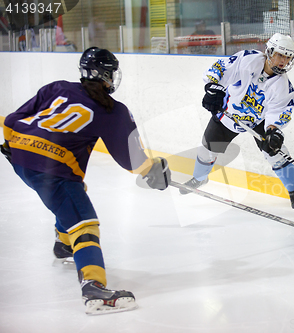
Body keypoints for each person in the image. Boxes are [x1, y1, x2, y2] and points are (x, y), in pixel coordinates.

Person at [1, 47, 171, 314]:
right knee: (84, 221)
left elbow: (13, 119)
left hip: (20, 157)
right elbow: (132, 159)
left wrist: (13, 143)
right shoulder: (111, 109)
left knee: (72, 193)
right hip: (52, 171)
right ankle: (93, 287)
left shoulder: (57, 87)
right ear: (106, 75)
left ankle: (63, 242)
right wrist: (153, 168)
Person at [180, 33, 294, 210]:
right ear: (269, 52)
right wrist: (212, 87)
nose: (283, 61)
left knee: (276, 152)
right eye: (280, 55)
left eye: (287, 57)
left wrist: (273, 130)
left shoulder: (283, 86)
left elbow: (279, 111)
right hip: (228, 114)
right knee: (207, 149)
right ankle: (199, 178)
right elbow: (222, 69)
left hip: (258, 121)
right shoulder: (248, 60)